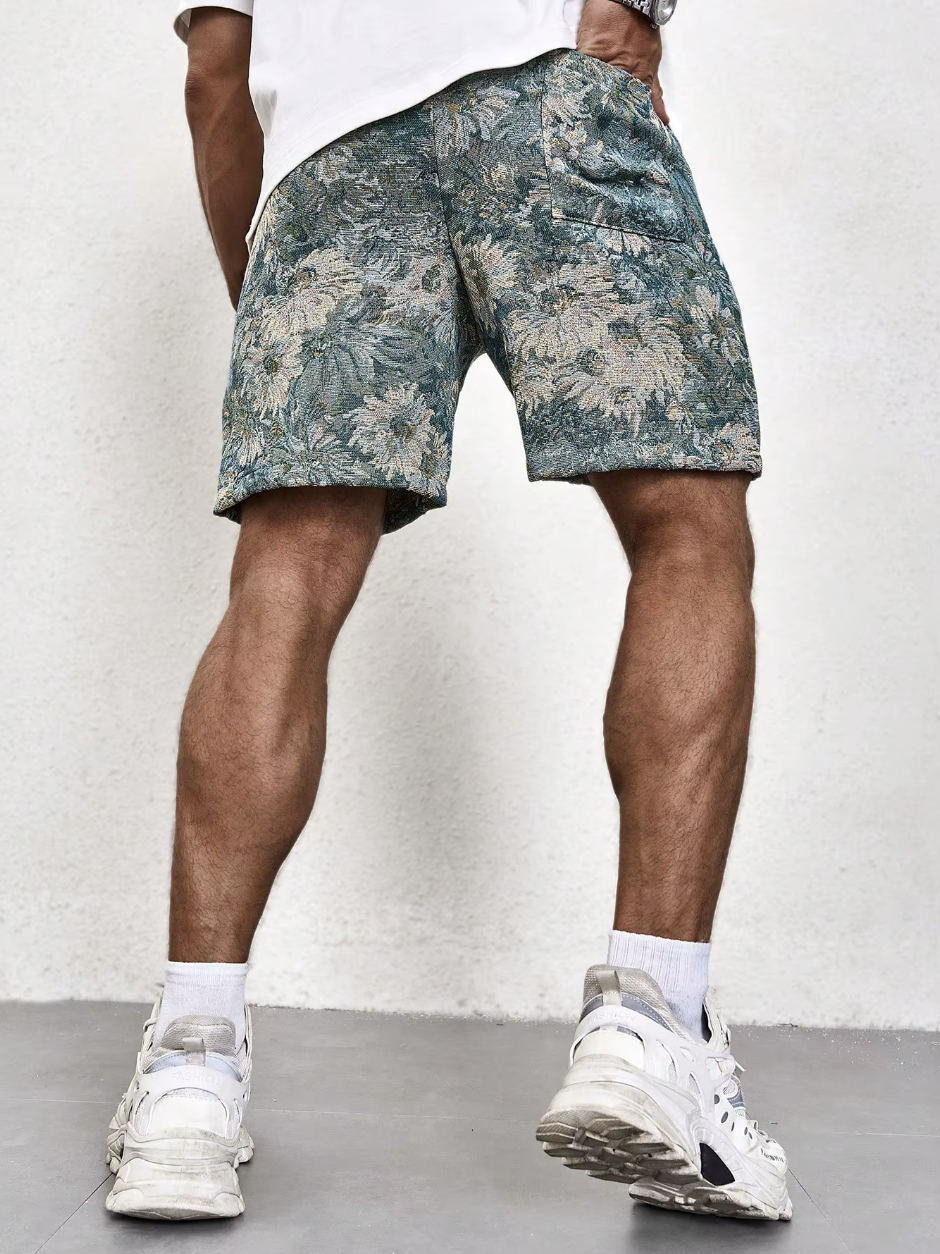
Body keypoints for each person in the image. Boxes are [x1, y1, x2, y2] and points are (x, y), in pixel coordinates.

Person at [104, 0, 791, 1223]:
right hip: (546, 89)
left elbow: (216, 64)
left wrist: (271, 301)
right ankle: (648, 1024)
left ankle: (188, 1081)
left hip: (329, 161)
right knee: (684, 528)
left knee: (286, 572)